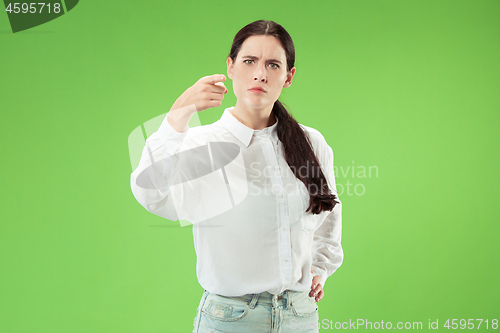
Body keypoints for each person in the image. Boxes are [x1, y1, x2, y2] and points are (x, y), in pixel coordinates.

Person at [130, 20, 343, 333]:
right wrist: (178, 114)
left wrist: (320, 268)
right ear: (230, 67)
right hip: (231, 319)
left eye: (273, 64)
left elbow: (328, 212)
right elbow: (151, 192)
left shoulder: (311, 143)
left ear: (288, 77)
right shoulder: (202, 144)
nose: (260, 73)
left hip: (300, 317)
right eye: (249, 61)